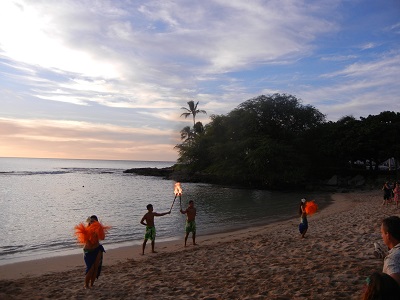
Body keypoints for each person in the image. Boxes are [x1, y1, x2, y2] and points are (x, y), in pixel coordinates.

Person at [74, 215, 110, 289]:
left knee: (95, 269)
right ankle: (86, 285)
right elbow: (87, 239)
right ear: (89, 222)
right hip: (88, 251)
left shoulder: (98, 229)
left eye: (94, 221)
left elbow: (102, 238)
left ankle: (92, 285)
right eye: (91, 221)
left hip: (97, 250)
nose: (92, 223)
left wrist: (99, 228)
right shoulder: (86, 230)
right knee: (90, 269)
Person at [380, 216, 400, 286]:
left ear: (388, 235)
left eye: (382, 233)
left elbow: (395, 285)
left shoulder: (392, 259)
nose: (381, 236)